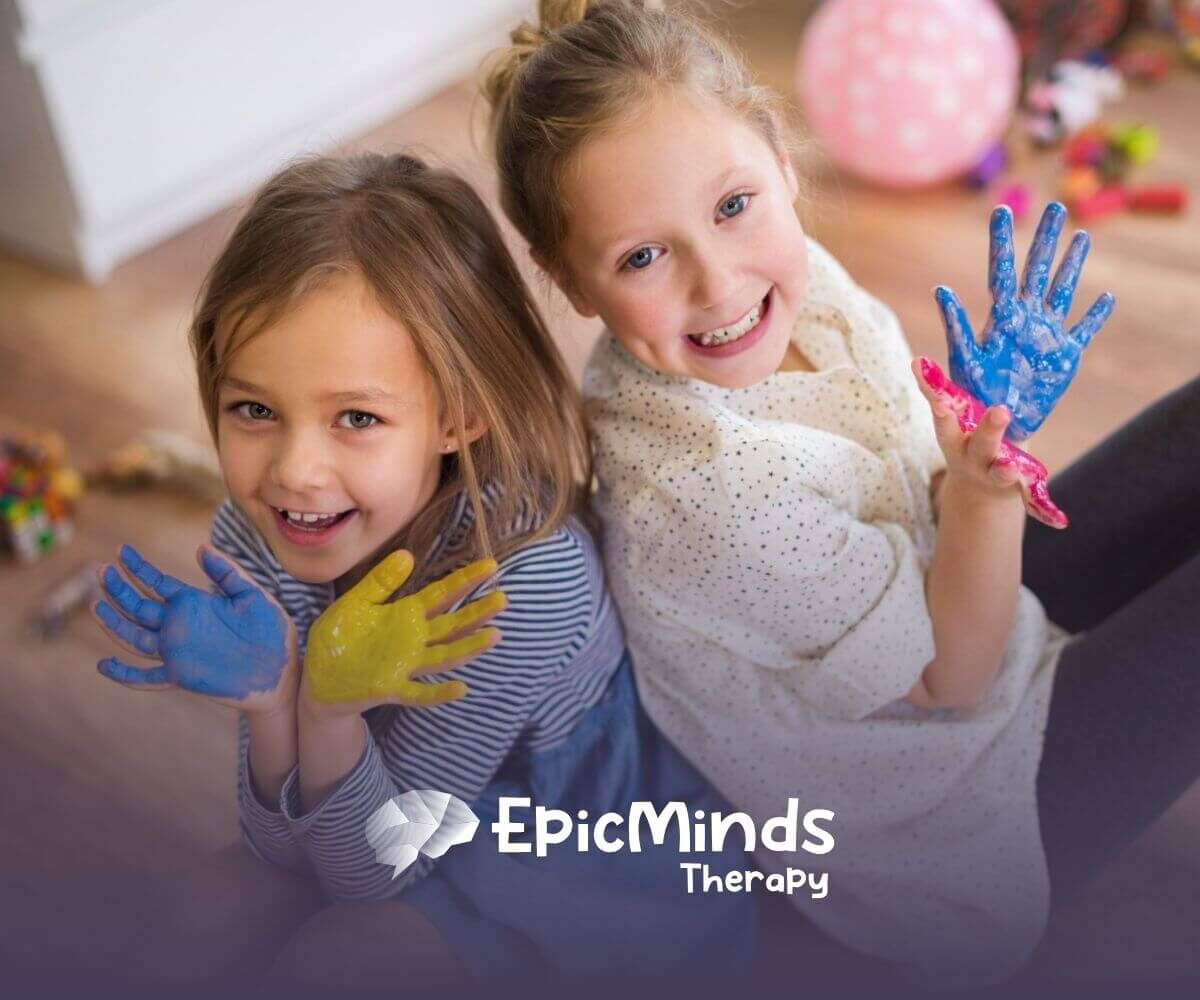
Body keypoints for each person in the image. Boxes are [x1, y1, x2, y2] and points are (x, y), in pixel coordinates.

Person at [483, 0, 1200, 984]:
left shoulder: (794, 279)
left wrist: (970, 458)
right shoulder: (718, 497)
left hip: (977, 613)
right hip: (959, 819)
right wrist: (985, 499)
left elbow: (913, 495)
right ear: (569, 281)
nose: (719, 281)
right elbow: (957, 679)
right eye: (642, 256)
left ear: (780, 158)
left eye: (733, 206)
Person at [90, 151, 754, 993]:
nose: (294, 471)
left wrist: (325, 711)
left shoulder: (518, 589)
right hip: (390, 821)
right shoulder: (260, 536)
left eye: (356, 418)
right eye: (253, 409)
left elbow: (369, 877)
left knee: (344, 958)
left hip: (575, 862)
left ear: (459, 415)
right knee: (214, 901)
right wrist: (270, 701)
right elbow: (279, 850)